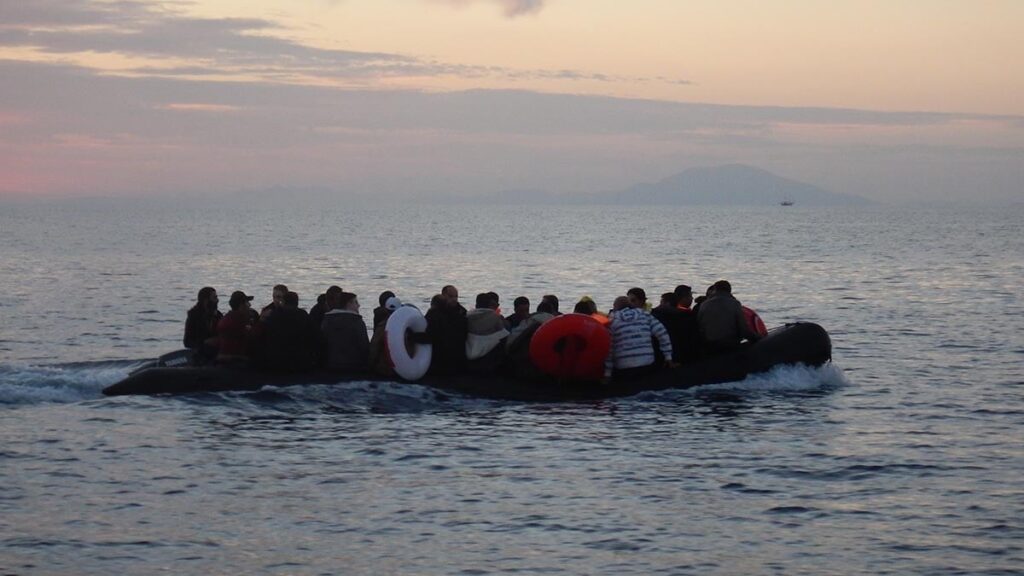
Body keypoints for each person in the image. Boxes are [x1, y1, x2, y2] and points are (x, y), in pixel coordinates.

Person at [604, 295, 674, 382]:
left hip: (624, 368)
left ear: (615, 308)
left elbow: (609, 348)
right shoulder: (644, 314)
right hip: (647, 363)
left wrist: (607, 374)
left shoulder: (611, 321)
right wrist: (668, 357)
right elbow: (662, 333)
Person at [697, 280, 761, 355]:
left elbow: (700, 327)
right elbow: (743, 329)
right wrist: (758, 338)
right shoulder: (734, 304)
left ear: (715, 290)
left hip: (710, 347)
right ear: (729, 290)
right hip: (730, 346)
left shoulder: (704, 305)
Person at [261, 291, 313, 372]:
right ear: (297, 302)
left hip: (277, 361)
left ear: (283, 302)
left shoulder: (274, 315)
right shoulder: (303, 315)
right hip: (300, 360)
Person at [321, 291, 370, 372]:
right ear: (348, 304)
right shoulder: (356, 321)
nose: (358, 305)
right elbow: (364, 345)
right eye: (356, 302)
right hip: (354, 365)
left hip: (331, 364)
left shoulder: (327, 320)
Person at [426, 288, 468, 376]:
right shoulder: (435, 313)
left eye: (456, 296)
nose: (454, 299)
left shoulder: (462, 312)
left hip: (455, 356)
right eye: (451, 296)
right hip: (440, 355)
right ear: (443, 296)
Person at [466, 293, 509, 373]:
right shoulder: (496, 317)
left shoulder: (467, 316)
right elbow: (504, 335)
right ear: (489, 304)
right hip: (488, 362)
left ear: (476, 304)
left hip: (468, 357)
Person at [652, 292, 699, 364]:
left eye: (661, 302)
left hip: (662, 355)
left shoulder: (657, 315)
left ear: (666, 303)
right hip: (683, 354)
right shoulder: (685, 316)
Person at [183, 286, 222, 363]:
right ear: (206, 300)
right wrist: (205, 342)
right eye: (214, 298)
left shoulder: (218, 316)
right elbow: (187, 342)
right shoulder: (194, 316)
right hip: (200, 355)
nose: (217, 300)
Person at [217, 290, 256, 363]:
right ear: (241, 305)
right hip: (237, 360)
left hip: (224, 358)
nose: (250, 305)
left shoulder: (226, 317)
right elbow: (252, 338)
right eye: (247, 302)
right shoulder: (239, 320)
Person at [369, 296, 403, 377]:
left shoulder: (382, 326)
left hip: (385, 369)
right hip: (404, 367)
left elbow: (374, 346)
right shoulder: (406, 325)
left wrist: (370, 365)